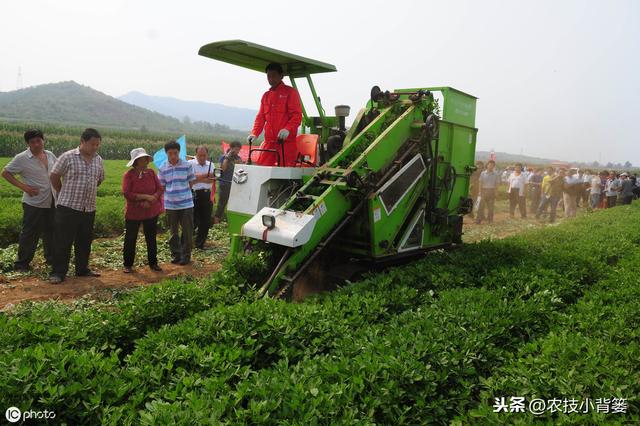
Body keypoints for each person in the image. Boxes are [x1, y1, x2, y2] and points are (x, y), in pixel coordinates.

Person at [48, 128, 105, 284]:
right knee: (62, 241)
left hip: (89, 208)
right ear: (82, 142)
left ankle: (82, 269)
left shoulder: (98, 160)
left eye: (97, 145)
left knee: (84, 241)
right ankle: (58, 272)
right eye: (92, 144)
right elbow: (54, 175)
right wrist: (61, 191)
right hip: (68, 207)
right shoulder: (68, 157)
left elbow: (100, 179)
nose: (95, 147)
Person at [1, 129, 57, 272]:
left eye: (39, 141)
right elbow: (6, 173)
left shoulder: (50, 155)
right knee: (30, 233)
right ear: (28, 144)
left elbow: (58, 172)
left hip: (52, 200)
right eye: (33, 142)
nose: (37, 144)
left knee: (51, 231)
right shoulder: (22, 158)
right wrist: (24, 187)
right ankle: (22, 264)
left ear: (43, 140)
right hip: (34, 202)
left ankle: (51, 260)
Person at [247, 62, 303, 167]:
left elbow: (297, 115)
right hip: (269, 143)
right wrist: (255, 133)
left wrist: (287, 129)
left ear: (281, 76)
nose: (271, 79)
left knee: (284, 174)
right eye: (268, 76)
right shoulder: (266, 96)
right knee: (262, 170)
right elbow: (260, 118)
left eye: (274, 75)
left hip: (285, 144)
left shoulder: (290, 93)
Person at [122, 148, 164, 273]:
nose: (145, 160)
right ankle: (128, 264)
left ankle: (153, 263)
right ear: (136, 161)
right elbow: (127, 193)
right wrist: (145, 197)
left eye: (146, 158)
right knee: (130, 238)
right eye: (142, 159)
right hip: (133, 212)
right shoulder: (128, 175)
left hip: (151, 211)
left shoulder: (151, 173)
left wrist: (152, 199)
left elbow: (160, 188)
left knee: (151, 237)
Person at [158, 140, 196, 265]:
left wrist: (183, 194)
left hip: (186, 204)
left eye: (175, 153)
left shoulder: (187, 165)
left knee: (187, 231)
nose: (173, 156)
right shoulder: (163, 168)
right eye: (170, 153)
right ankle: (176, 254)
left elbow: (191, 183)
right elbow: (162, 187)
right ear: (166, 153)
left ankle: (186, 256)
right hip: (170, 204)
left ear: (179, 152)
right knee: (173, 232)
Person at [189, 146, 215, 249]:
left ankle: (200, 244)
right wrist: (206, 176)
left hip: (207, 194)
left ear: (207, 155)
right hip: (194, 194)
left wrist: (198, 178)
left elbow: (212, 179)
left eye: (204, 155)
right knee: (192, 220)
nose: (202, 157)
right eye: (200, 155)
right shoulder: (190, 164)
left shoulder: (211, 164)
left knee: (205, 221)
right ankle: (186, 243)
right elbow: (191, 178)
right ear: (196, 154)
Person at [214, 141, 242, 224]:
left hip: (235, 184)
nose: (237, 152)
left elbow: (242, 169)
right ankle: (216, 222)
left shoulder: (238, 158)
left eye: (238, 150)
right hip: (225, 184)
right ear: (231, 148)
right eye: (236, 149)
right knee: (221, 204)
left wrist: (239, 163)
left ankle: (231, 221)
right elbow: (223, 169)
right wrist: (227, 158)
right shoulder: (224, 157)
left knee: (234, 204)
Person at [475, 160, 500, 224]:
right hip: (484, 191)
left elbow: (497, 184)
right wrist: (480, 192)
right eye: (490, 165)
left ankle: (490, 220)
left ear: (494, 166)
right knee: (481, 207)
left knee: (491, 207)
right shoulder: (483, 173)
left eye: (492, 165)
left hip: (491, 191)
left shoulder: (496, 174)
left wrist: (496, 192)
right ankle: (478, 220)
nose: (491, 166)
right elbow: (480, 183)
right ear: (487, 165)